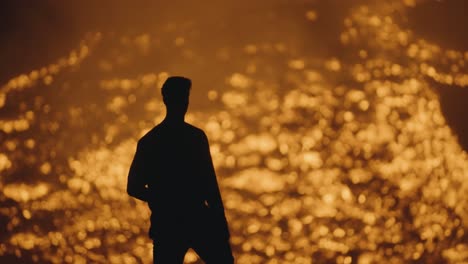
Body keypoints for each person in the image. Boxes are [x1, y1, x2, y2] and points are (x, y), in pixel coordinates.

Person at [127, 76, 234, 263]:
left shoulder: (150, 141)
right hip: (192, 219)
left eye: (185, 98)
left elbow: (134, 187)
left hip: (169, 223)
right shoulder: (195, 138)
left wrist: (160, 197)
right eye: (181, 98)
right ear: (168, 100)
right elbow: (210, 186)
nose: (183, 103)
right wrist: (220, 221)